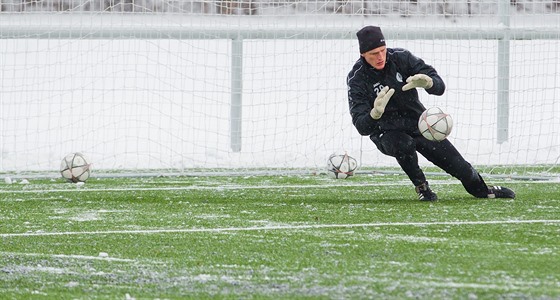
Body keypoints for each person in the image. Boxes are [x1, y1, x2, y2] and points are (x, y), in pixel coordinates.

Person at [346, 25, 516, 201]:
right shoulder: (357, 78)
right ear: (363, 54)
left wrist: (429, 83)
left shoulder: (401, 58)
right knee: (403, 144)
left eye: (382, 50)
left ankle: (482, 190)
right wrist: (374, 114)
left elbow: (439, 86)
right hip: (386, 132)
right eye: (374, 53)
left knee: (459, 166)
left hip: (419, 124)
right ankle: (422, 188)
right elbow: (361, 126)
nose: (380, 56)